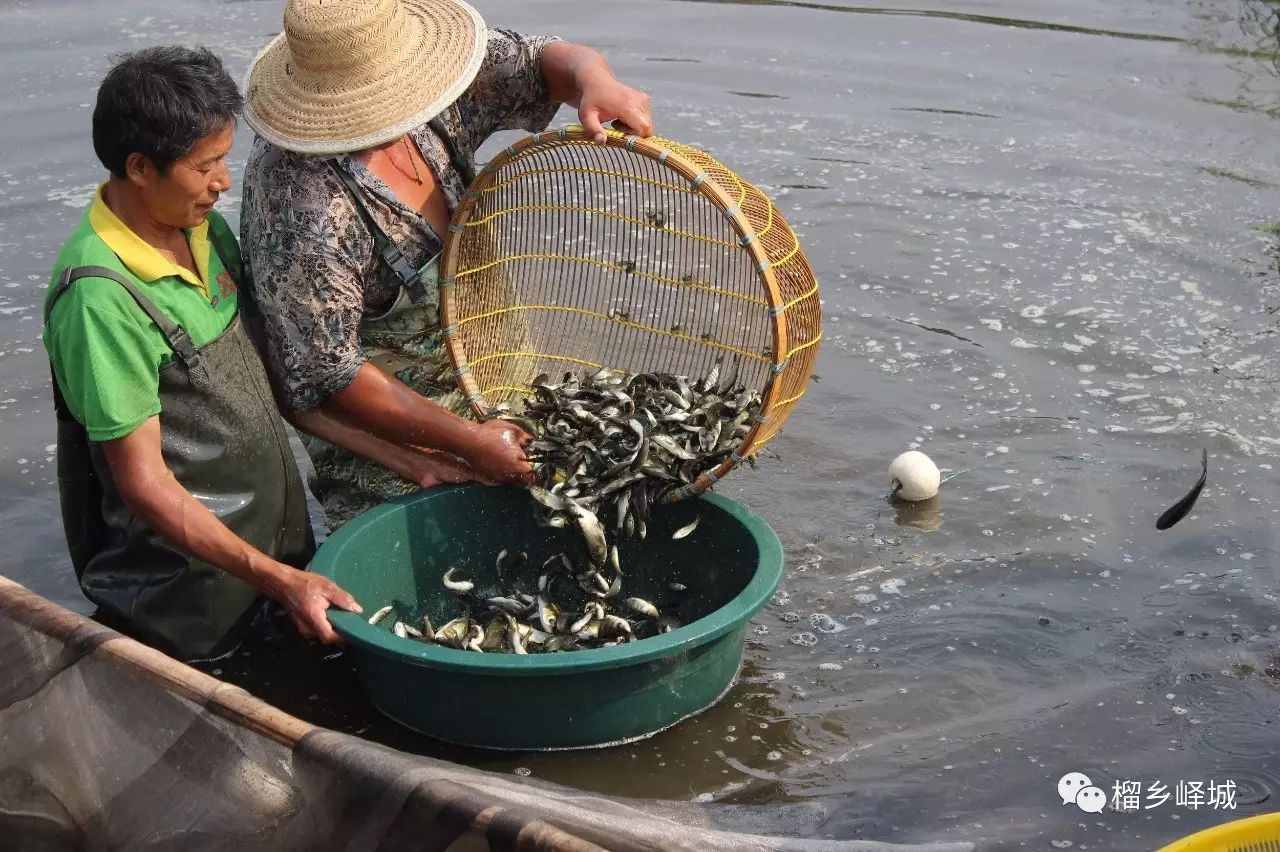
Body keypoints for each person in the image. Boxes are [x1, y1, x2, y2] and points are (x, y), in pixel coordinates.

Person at [240, 0, 655, 529]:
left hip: (495, 367)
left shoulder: (432, 83)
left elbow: (541, 60)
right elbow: (327, 374)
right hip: (393, 435)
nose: (404, 112)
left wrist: (594, 77)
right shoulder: (300, 200)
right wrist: (468, 442)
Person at [43, 46, 362, 661]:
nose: (223, 182)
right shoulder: (99, 299)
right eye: (205, 165)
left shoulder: (202, 229)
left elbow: (279, 390)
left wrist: (414, 458)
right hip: (184, 606)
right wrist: (279, 580)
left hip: (273, 563)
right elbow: (146, 486)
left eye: (225, 159)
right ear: (139, 167)